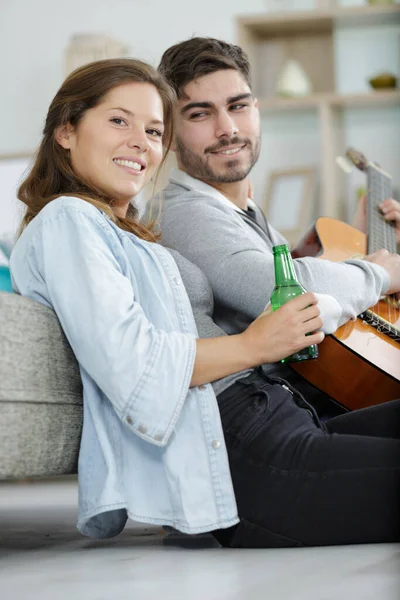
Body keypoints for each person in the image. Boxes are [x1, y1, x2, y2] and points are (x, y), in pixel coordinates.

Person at [10, 58, 400, 549]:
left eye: (153, 130)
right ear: (66, 131)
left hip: (274, 417)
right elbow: (135, 364)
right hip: (245, 452)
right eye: (118, 120)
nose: (140, 141)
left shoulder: (122, 232)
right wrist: (255, 344)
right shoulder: (66, 220)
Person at [149, 37, 400, 409]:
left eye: (238, 106)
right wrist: (377, 274)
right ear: (168, 134)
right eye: (200, 114)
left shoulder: (239, 209)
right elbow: (288, 290)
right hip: (273, 415)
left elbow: (303, 270)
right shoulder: (181, 214)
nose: (227, 128)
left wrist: (363, 239)